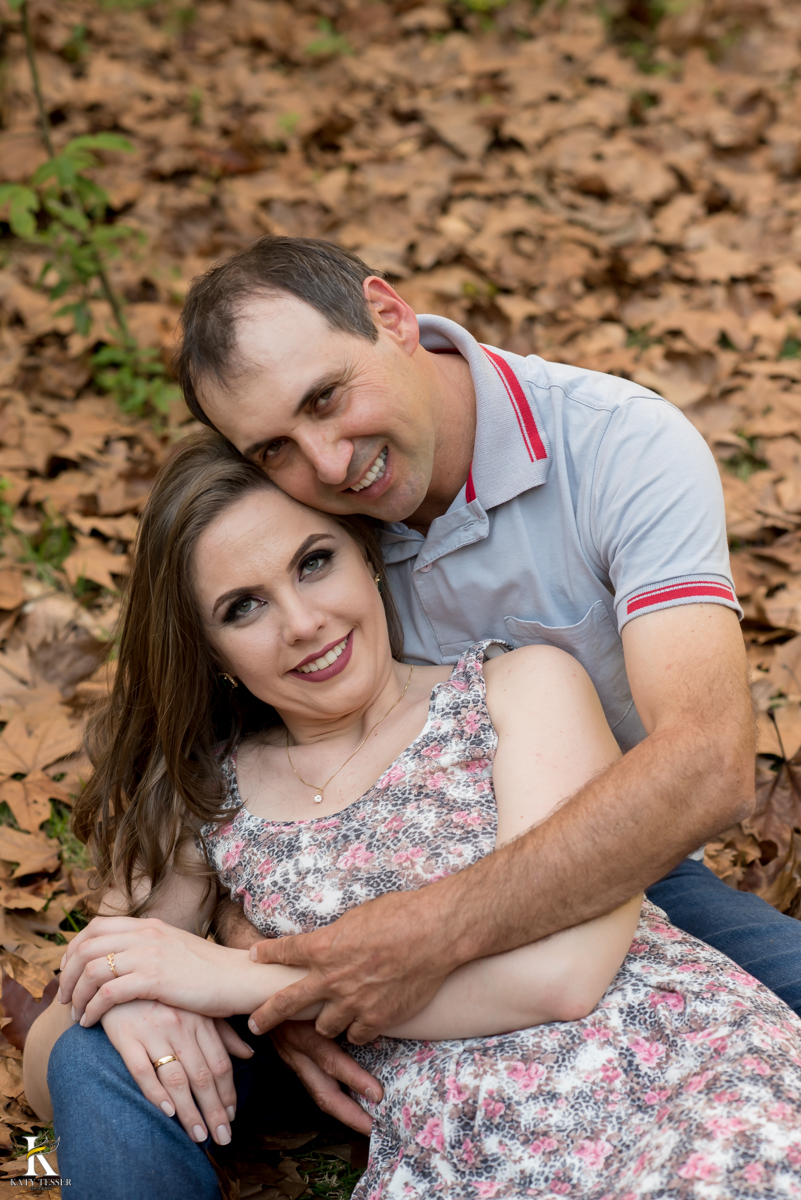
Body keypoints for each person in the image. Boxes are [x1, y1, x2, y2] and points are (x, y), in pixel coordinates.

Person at [32, 433, 801, 1198]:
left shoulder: (515, 688)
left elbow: (562, 978)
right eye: (244, 607)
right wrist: (126, 1003)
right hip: (468, 1161)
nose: (302, 622)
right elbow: (54, 1068)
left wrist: (236, 978)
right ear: (208, 652)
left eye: (314, 562)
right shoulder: (210, 798)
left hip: (685, 1085)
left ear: (367, 557)